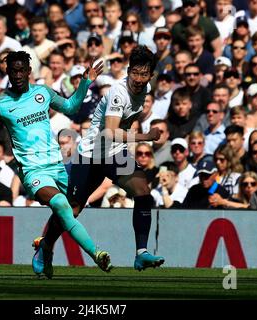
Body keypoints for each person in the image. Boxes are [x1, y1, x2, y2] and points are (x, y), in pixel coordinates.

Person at [0, 50, 112, 278]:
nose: (17, 75)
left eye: (21, 70)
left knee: (71, 210)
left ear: (28, 71)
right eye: (12, 70)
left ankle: (45, 247)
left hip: (57, 165)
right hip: (33, 171)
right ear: (7, 72)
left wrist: (85, 82)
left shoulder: (42, 93)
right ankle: (97, 254)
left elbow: (71, 107)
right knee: (61, 205)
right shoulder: (0, 105)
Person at [35, 46, 165, 276]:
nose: (138, 78)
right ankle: (45, 247)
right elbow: (111, 132)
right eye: (134, 72)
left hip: (114, 153)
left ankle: (141, 253)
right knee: (72, 208)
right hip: (91, 154)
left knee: (143, 192)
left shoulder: (143, 90)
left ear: (151, 76)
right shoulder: (118, 92)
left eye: (144, 74)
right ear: (128, 70)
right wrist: (146, 137)